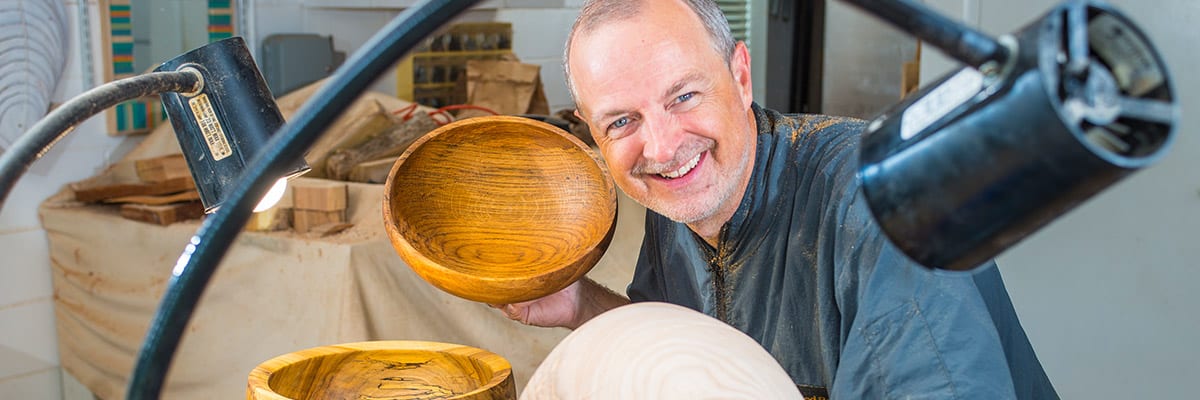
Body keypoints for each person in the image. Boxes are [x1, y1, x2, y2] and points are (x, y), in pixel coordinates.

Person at [494, 0, 1059, 398]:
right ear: (592, 132)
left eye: (685, 95)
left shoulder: (883, 204)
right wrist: (583, 306)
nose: (663, 146)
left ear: (740, 76)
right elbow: (691, 363)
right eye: (622, 120)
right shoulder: (681, 204)